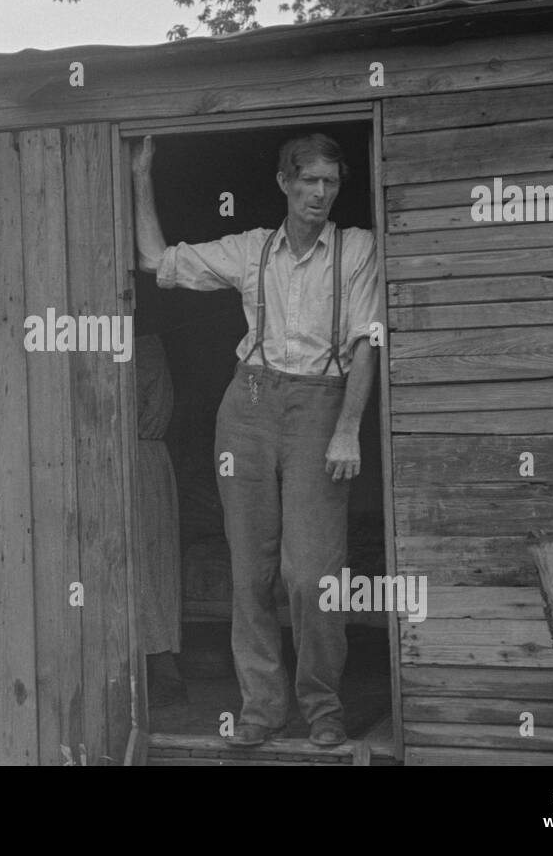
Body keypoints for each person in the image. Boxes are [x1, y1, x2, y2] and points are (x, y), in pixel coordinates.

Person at [131, 133, 379, 747]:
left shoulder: (357, 248)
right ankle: (262, 710)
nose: (320, 193)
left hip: (322, 404)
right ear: (284, 183)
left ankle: (322, 707)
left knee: (311, 576)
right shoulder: (251, 249)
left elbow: (367, 342)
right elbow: (155, 260)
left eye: (330, 182)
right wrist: (140, 176)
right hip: (247, 406)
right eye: (309, 180)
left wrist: (348, 428)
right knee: (251, 572)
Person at [134, 333, 186, 707]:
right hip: (138, 458)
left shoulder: (145, 349)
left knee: (146, 566)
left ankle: (163, 666)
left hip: (139, 461)